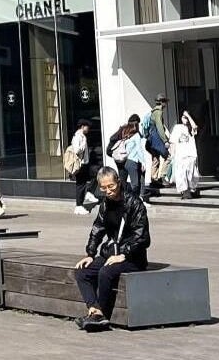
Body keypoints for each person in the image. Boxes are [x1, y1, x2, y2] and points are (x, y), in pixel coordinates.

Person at [73, 167, 151, 331]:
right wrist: (90, 253)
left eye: (111, 186)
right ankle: (95, 310)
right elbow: (97, 229)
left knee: (105, 272)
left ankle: (101, 314)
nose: (108, 191)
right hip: (112, 253)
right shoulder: (105, 205)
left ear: (119, 182)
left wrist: (124, 254)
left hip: (133, 257)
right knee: (82, 271)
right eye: (103, 187)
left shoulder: (134, 203)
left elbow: (142, 236)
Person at [169, 110, 201, 199]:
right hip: (180, 155)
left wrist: (188, 115)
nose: (185, 119)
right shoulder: (177, 127)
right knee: (181, 175)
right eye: (183, 117)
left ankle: (191, 189)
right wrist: (172, 154)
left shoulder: (191, 128)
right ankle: (185, 192)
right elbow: (173, 142)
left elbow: (195, 126)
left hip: (191, 155)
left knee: (192, 174)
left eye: (187, 117)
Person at [142, 97, 171, 193]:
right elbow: (159, 127)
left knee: (155, 158)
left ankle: (154, 178)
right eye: (165, 102)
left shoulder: (152, 111)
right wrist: (165, 140)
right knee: (168, 157)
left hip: (151, 140)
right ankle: (162, 177)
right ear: (162, 102)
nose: (166, 104)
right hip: (156, 139)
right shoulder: (158, 112)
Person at [66, 119, 94, 214]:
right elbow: (77, 150)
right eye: (87, 127)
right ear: (82, 126)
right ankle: (79, 206)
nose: (88, 129)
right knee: (80, 185)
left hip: (84, 164)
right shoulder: (78, 137)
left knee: (82, 184)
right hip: (80, 164)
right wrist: (83, 144)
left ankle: (81, 203)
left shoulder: (82, 136)